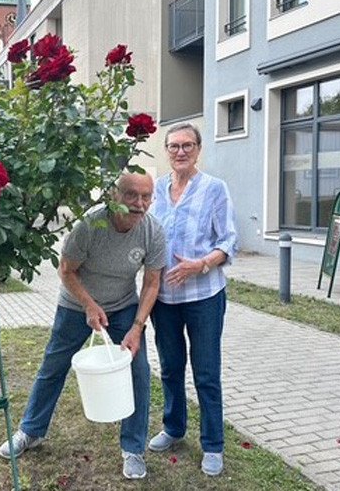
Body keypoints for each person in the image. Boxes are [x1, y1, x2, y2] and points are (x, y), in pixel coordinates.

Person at [0, 172, 167, 480]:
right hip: (76, 305)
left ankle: (133, 449)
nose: (139, 204)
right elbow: (66, 270)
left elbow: (152, 283)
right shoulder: (90, 225)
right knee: (54, 364)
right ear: (115, 195)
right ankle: (30, 431)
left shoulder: (153, 231)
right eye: (132, 195)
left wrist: (137, 327)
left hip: (122, 306)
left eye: (146, 197)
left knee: (139, 370)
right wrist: (89, 305)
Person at [147, 123, 238, 477]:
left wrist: (200, 264)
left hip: (204, 296)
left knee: (206, 372)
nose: (180, 151)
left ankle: (213, 444)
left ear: (198, 149)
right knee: (170, 367)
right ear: (166, 151)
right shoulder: (154, 191)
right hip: (164, 298)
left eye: (187, 145)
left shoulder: (214, 189)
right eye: (173, 146)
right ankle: (173, 427)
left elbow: (229, 240)